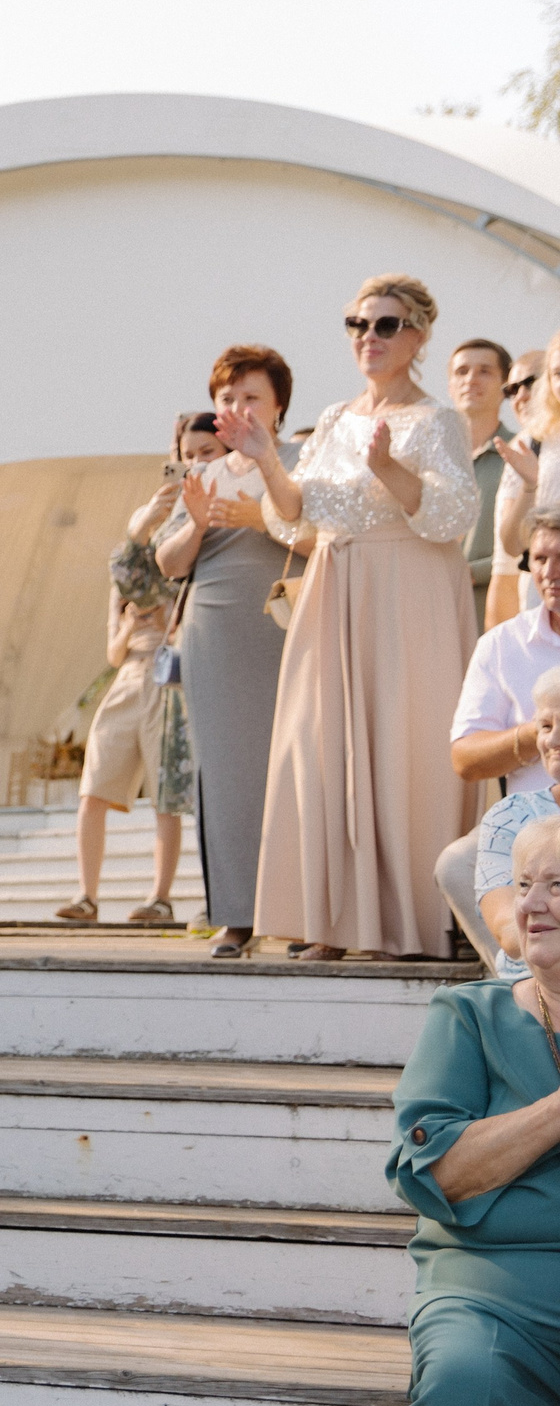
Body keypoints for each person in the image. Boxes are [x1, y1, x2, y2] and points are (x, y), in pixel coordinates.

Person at [242, 277, 480, 959]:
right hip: (333, 588)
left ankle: (402, 924)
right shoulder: (333, 417)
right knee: (321, 749)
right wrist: (264, 459)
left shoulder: (436, 421)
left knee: (402, 748)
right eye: (357, 323)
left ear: (418, 336)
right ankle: (334, 921)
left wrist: (387, 469)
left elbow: (453, 514)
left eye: (385, 324)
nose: (368, 336)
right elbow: (296, 514)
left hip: (407, 595)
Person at [387, 815, 560, 1406]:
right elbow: (437, 1174)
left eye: (557, 885)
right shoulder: (469, 1017)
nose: (530, 904)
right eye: (523, 885)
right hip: (495, 1301)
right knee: (467, 1383)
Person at [154, 345, 298, 958]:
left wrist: (260, 516)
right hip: (214, 635)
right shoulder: (206, 473)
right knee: (225, 775)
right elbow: (168, 562)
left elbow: (320, 536)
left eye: (251, 398)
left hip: (289, 628)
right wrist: (196, 523)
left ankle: (301, 914)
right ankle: (236, 916)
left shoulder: (303, 461)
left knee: (296, 771)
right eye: (227, 399)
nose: (238, 409)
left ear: (279, 405)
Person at [60, 414, 218, 925]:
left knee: (167, 794)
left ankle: (160, 897)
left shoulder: (207, 524)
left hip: (173, 675)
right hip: (129, 674)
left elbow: (158, 586)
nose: (194, 464)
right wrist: (142, 525)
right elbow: (127, 593)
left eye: (206, 453)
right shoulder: (148, 529)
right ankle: (86, 895)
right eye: (187, 456)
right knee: (94, 788)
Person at [442, 518, 560, 964]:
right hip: (526, 824)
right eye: (540, 558)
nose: (549, 572)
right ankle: (522, 986)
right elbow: (464, 758)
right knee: (456, 863)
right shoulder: (502, 644)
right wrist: (539, 732)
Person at [464, 667, 560, 985]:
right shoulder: (511, 817)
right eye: (545, 726)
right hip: (532, 996)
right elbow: (510, 932)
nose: (552, 740)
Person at [450, 338, 516, 631]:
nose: (471, 379)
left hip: (494, 616)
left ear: (506, 386)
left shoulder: (521, 454)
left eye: (485, 371)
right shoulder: (430, 459)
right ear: (450, 385)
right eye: (462, 371)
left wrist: (472, 572)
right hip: (431, 610)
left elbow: (531, 540)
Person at [488, 349, 545, 629]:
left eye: (530, 383)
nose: (520, 396)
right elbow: (509, 552)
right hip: (539, 608)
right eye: (511, 389)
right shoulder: (521, 448)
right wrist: (530, 486)